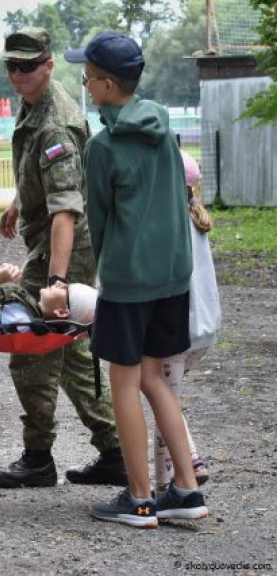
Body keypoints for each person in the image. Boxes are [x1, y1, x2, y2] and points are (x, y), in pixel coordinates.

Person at [75, 31, 208, 528]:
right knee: (155, 378)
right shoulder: (166, 131)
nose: (86, 86)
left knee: (125, 382)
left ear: (108, 85)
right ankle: (186, 490)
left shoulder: (103, 146)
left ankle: (139, 498)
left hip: (129, 281)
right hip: (173, 277)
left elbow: (98, 221)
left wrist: (104, 273)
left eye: (88, 78)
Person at [0, 27, 124, 489]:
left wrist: (57, 282)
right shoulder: (36, 104)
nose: (17, 74)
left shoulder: (54, 123)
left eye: (27, 66)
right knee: (72, 353)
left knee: (30, 346)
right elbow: (50, 178)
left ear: (48, 65)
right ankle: (115, 451)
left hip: (62, 251)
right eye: (11, 65)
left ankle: (38, 457)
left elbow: (66, 209)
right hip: (55, 244)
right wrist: (19, 201)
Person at [153, 151, 219, 494]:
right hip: (203, 328)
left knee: (161, 399)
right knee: (166, 394)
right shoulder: (195, 217)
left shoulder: (170, 221)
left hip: (179, 329)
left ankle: (174, 477)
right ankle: (178, 473)